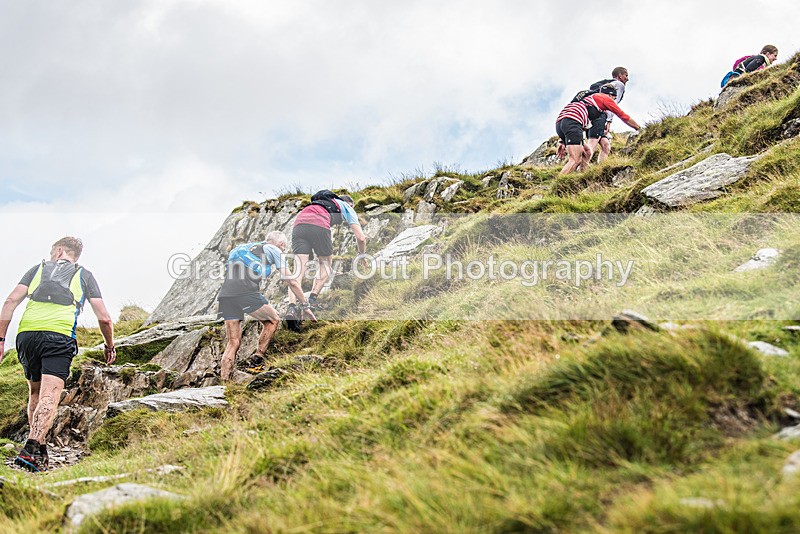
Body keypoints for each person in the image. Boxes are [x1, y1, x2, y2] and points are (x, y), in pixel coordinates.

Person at [0, 237, 116, 472]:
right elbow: (103, 317)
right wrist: (109, 345)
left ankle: (39, 449)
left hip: (27, 336)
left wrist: (1, 339)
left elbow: (11, 301)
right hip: (58, 337)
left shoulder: (36, 269)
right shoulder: (84, 275)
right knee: (50, 395)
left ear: (59, 250)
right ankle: (31, 447)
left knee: (35, 392)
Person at [217, 230, 315, 381]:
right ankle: (257, 358)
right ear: (281, 244)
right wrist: (305, 305)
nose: (283, 250)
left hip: (226, 295)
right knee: (273, 320)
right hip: (246, 292)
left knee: (233, 342)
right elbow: (292, 281)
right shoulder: (274, 250)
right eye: (284, 247)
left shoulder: (242, 248)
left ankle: (223, 383)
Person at [286, 190, 367, 323]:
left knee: (298, 271)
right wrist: (362, 256)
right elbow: (361, 238)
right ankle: (311, 300)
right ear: (349, 204)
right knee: (326, 264)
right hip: (319, 224)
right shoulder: (346, 207)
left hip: (299, 225)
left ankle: (292, 307)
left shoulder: (319, 203)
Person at [555, 87, 641, 174]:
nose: (614, 101)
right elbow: (623, 115)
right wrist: (638, 128)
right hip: (573, 121)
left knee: (587, 152)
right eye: (614, 99)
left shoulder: (589, 99)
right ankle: (557, 186)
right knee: (575, 159)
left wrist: (562, 141)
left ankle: (582, 176)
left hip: (561, 122)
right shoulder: (605, 98)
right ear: (610, 95)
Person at [587, 67, 629, 163]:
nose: (627, 78)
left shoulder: (606, 85)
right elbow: (611, 104)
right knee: (592, 145)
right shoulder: (619, 85)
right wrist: (608, 121)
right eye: (626, 75)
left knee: (605, 146)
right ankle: (581, 169)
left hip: (593, 114)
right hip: (600, 116)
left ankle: (601, 167)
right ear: (620, 76)